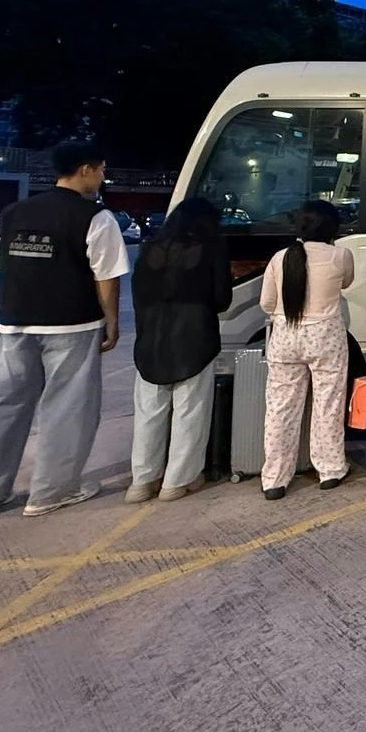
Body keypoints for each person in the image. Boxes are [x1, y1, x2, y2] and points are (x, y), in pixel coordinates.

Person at [0, 141, 131, 522]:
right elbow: (106, 278)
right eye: (101, 170)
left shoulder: (12, 214)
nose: (103, 177)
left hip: (15, 325)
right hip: (73, 324)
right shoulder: (95, 217)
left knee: (3, 408)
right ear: (85, 169)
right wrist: (112, 322)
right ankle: (52, 492)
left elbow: (3, 267)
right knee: (68, 409)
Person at [126, 197, 231, 504]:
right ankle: (178, 481)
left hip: (151, 339)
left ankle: (142, 481)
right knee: (190, 411)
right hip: (195, 338)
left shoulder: (148, 249)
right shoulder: (211, 249)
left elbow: (138, 294)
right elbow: (221, 299)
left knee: (149, 412)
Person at [258, 200, 354, 500]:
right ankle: (330, 469)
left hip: (285, 337)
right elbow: (347, 283)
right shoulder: (340, 255)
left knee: (280, 408)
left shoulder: (280, 258)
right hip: (326, 337)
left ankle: (275, 479)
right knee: (329, 403)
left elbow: (267, 303)